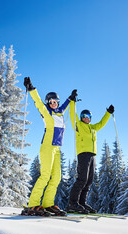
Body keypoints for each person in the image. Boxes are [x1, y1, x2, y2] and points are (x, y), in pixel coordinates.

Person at [23, 77, 78, 216]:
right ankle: (33, 204)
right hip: (47, 147)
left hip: (57, 149)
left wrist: (71, 98)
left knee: (57, 177)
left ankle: (48, 203)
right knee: (45, 175)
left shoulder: (60, 112)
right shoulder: (46, 112)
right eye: (51, 102)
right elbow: (38, 103)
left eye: (55, 102)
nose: (53, 103)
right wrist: (31, 89)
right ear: (48, 103)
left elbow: (65, 104)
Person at [66, 98, 114, 214]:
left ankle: (81, 203)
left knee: (89, 180)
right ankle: (72, 203)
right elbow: (73, 115)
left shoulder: (93, 128)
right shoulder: (79, 126)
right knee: (82, 179)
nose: (86, 118)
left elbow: (101, 123)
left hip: (92, 155)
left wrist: (108, 113)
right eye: (84, 116)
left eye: (88, 116)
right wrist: (72, 102)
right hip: (83, 154)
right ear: (82, 117)